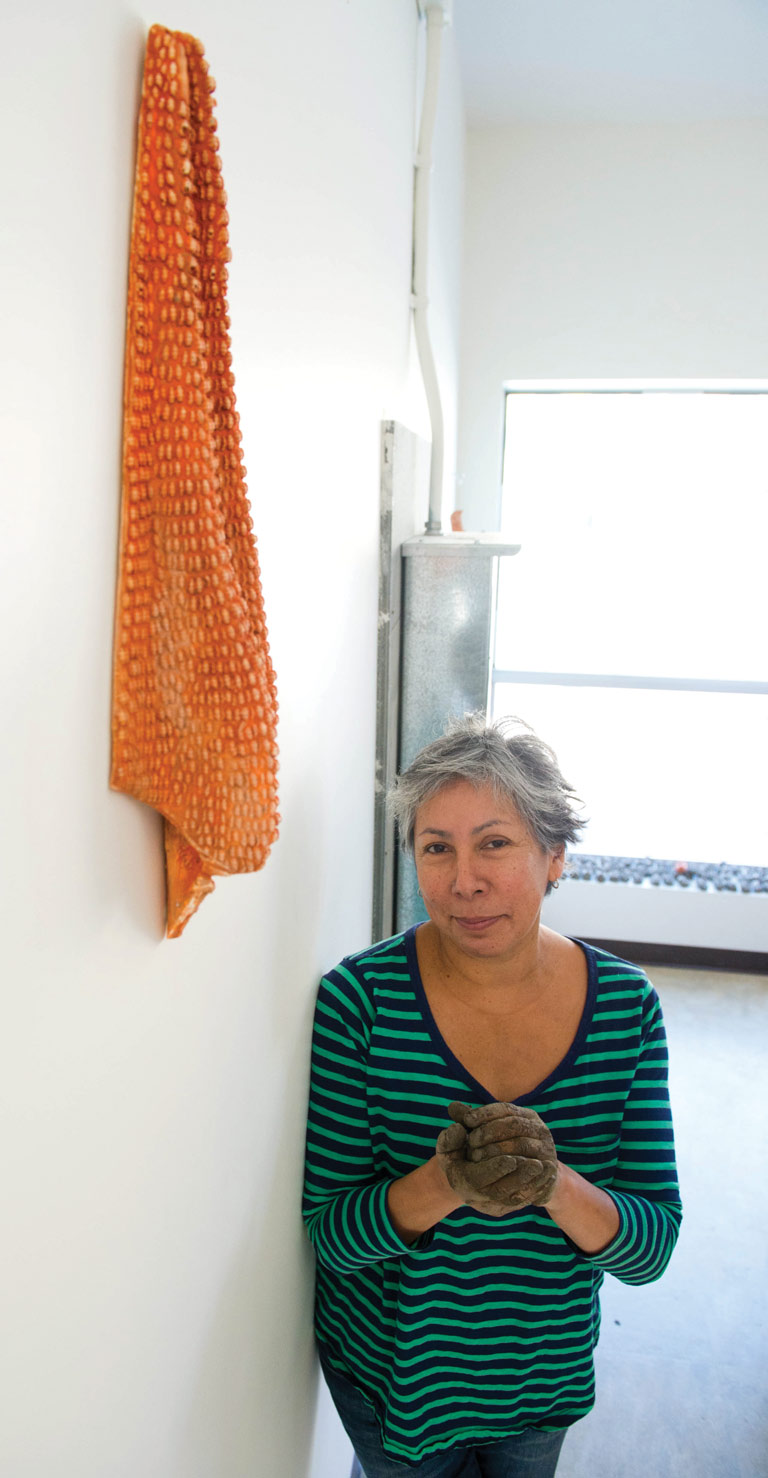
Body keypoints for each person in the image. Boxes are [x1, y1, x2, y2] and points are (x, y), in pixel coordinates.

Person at [303, 716, 682, 1477]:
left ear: (555, 857)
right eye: (436, 847)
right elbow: (333, 1237)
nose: (464, 881)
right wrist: (448, 1181)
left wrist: (552, 1184)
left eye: (495, 844)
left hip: (541, 1381)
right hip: (394, 1386)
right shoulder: (360, 1001)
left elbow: (652, 1247)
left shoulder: (624, 1008)